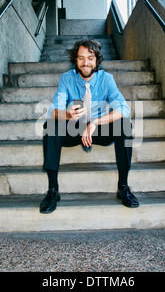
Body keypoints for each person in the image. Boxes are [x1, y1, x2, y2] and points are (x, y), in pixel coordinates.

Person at [40, 39, 139, 213]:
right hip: (74, 129)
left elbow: (123, 108)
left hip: (97, 130)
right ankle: (53, 190)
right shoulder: (67, 79)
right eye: (81, 58)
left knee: (124, 124)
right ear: (75, 60)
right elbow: (53, 110)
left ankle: (123, 186)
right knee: (50, 125)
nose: (85, 63)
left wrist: (94, 123)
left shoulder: (106, 79)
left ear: (97, 60)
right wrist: (68, 114)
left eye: (90, 58)